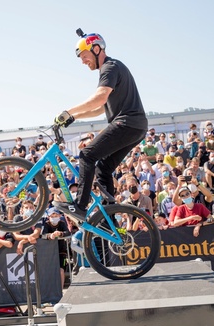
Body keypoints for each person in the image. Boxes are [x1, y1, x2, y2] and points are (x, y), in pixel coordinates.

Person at [54, 30, 148, 219]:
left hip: (126, 123)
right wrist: (75, 117)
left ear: (97, 49)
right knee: (103, 168)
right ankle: (109, 217)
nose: (83, 61)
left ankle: (79, 206)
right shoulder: (113, 68)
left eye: (84, 56)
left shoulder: (110, 67)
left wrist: (68, 111)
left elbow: (99, 97)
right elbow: (100, 108)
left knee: (87, 155)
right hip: (136, 127)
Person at [41, 208, 71, 290]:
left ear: (59, 216)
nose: (54, 217)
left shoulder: (62, 223)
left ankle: (60, 289)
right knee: (50, 271)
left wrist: (60, 233)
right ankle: (50, 290)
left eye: (56, 215)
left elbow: (68, 232)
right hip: (49, 251)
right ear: (48, 216)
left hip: (61, 250)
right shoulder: (46, 224)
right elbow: (43, 235)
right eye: (52, 216)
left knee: (61, 270)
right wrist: (50, 236)